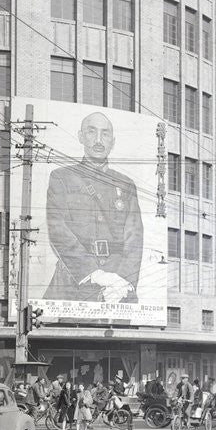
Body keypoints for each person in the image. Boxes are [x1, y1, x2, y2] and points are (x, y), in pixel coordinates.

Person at [44, 111, 143, 304]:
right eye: (91, 132)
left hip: (118, 284)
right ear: (81, 136)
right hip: (74, 279)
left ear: (113, 142)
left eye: (105, 134)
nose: (99, 140)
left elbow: (135, 238)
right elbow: (57, 229)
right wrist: (93, 273)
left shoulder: (126, 185)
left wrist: (122, 282)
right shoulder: (61, 177)